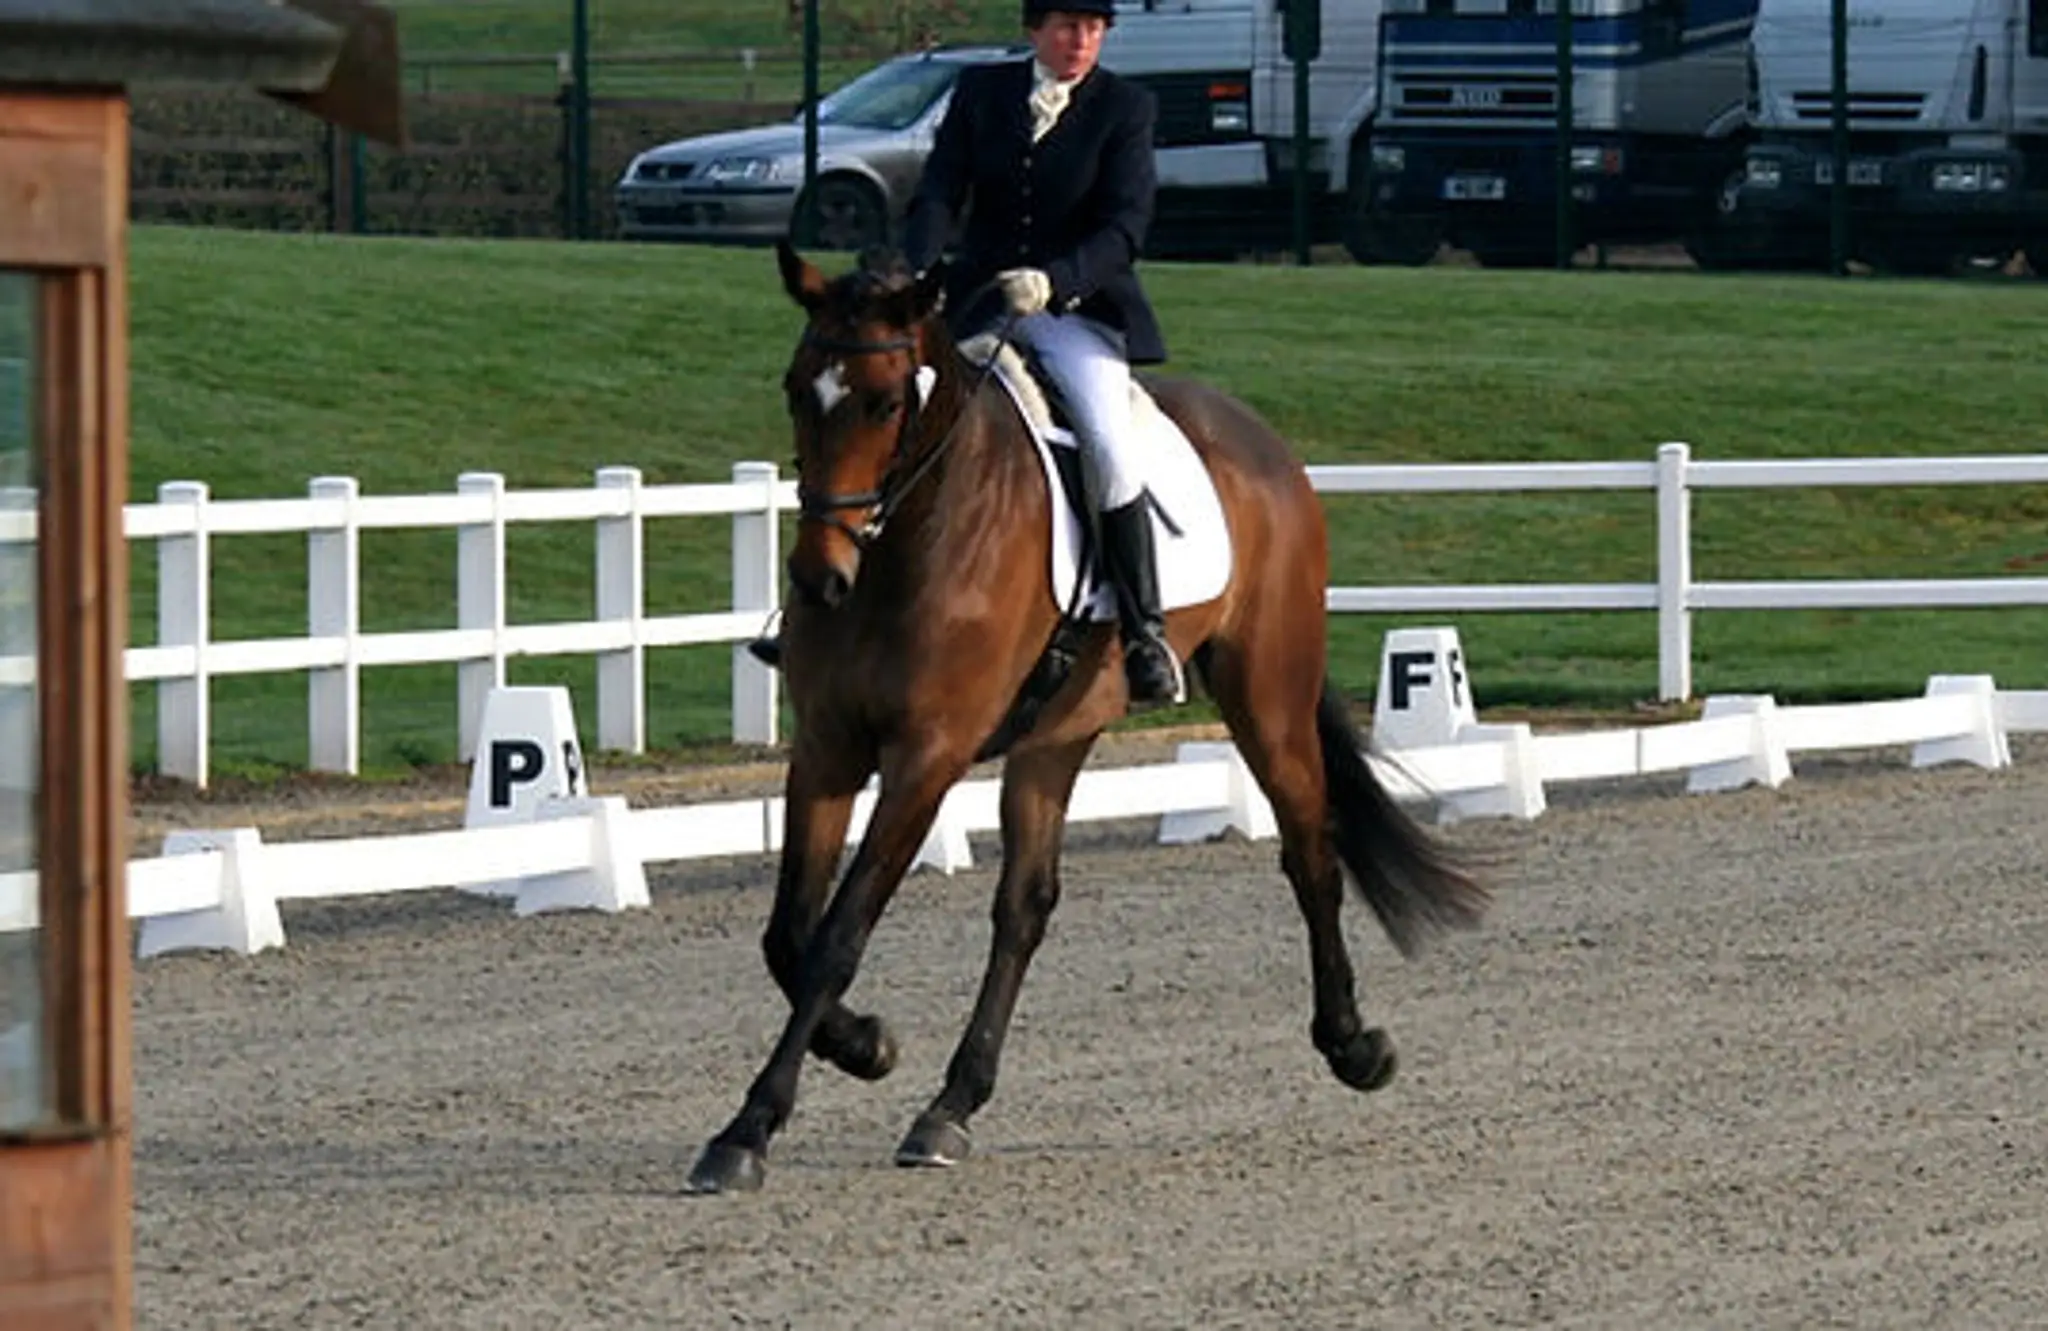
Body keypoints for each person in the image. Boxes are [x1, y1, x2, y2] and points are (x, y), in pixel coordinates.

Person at [750, 0, 1185, 707]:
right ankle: (814, 610)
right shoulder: (983, 93)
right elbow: (941, 194)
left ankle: (1144, 631)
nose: (1081, 41)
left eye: (1094, 29)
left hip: (1077, 312)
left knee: (1108, 443)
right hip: (978, 300)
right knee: (888, 417)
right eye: (1067, 26)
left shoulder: (1126, 107)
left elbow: (1125, 226)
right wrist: (908, 275)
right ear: (1033, 30)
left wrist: (1056, 279)